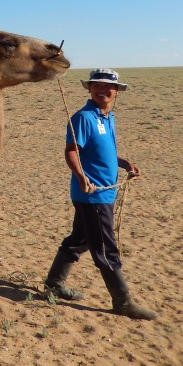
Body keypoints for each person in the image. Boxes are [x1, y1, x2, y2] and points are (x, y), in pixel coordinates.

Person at [44, 68, 157, 320]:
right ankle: (123, 302)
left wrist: (124, 163)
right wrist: (81, 177)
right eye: (97, 85)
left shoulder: (108, 117)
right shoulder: (83, 118)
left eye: (108, 86)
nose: (102, 90)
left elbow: (102, 152)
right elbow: (72, 151)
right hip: (91, 195)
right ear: (89, 89)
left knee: (80, 239)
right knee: (106, 249)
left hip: (103, 193)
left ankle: (53, 284)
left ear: (116, 91)